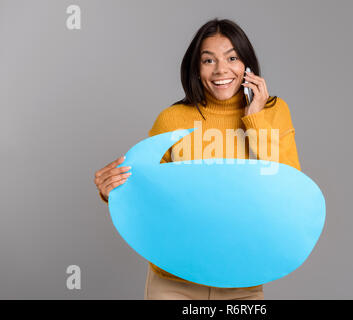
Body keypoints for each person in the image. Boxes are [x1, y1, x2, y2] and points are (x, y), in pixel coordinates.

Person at [93, 18, 301, 300]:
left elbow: (289, 187)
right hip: (174, 279)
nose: (221, 70)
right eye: (208, 60)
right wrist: (112, 192)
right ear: (196, 68)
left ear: (247, 66)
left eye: (232, 58)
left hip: (242, 277)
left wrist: (254, 117)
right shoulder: (172, 119)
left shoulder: (274, 112)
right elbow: (149, 192)